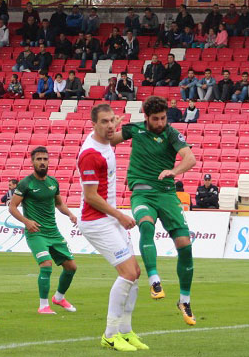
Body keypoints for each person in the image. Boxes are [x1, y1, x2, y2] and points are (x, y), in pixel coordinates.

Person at [111, 96, 198, 325]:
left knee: (185, 246)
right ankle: (154, 279)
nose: (160, 122)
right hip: (142, 193)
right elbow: (109, 140)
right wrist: (109, 127)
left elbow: (190, 158)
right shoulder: (135, 130)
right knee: (146, 225)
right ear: (145, 116)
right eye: (156, 119)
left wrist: (174, 170)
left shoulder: (171, 133)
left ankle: (185, 300)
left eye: (163, 118)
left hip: (167, 194)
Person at [77, 105, 148, 351]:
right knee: (127, 273)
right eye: (104, 122)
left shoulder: (105, 140)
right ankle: (109, 334)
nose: (110, 126)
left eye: (112, 122)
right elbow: (91, 197)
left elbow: (112, 129)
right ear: (93, 124)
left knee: (135, 273)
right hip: (96, 221)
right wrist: (121, 215)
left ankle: (126, 332)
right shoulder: (89, 154)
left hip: (108, 218)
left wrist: (115, 122)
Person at [8, 147, 78, 314]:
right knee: (46, 265)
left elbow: (59, 203)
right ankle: (43, 306)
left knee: (71, 267)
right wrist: (26, 222)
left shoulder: (53, 182)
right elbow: (12, 207)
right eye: (38, 159)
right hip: (36, 232)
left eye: (45, 159)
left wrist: (70, 214)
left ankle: (59, 298)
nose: (42, 162)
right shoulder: (26, 183)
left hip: (53, 232)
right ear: (32, 162)